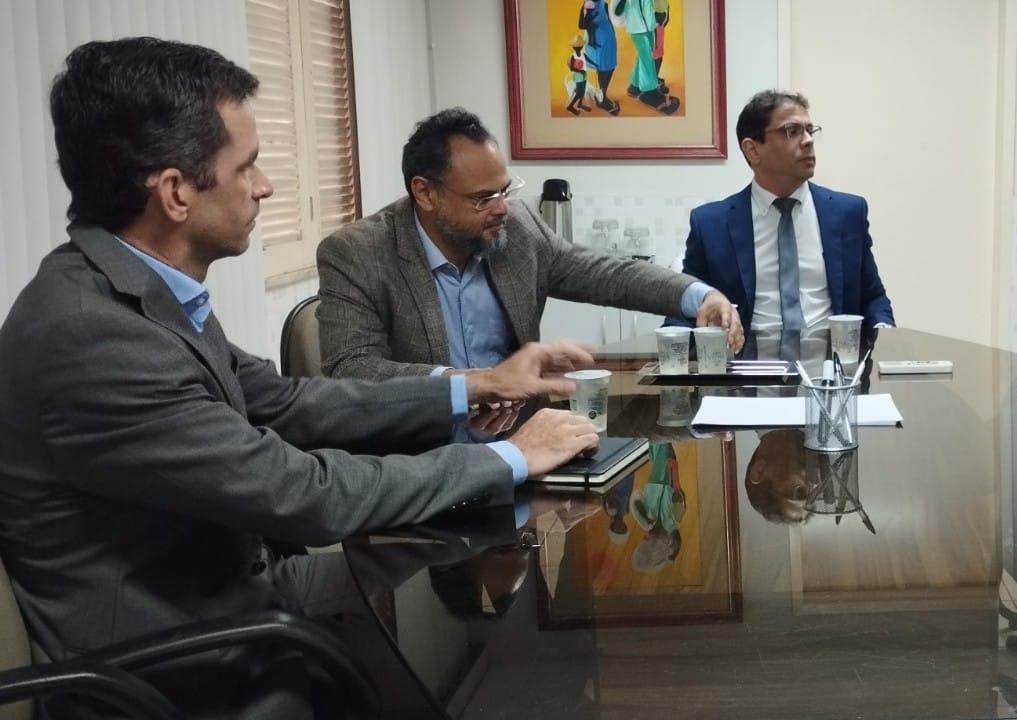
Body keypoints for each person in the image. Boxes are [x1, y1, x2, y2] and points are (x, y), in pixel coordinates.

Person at [0, 37, 603, 718]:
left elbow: (288, 403)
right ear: (174, 192)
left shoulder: (138, 293)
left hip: (236, 595)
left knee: (472, 595)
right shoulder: (93, 338)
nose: (265, 186)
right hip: (183, 669)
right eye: (247, 166)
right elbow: (304, 493)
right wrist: (509, 457)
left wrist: (476, 386)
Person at [316, 108, 743, 395]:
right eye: (483, 198)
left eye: (504, 190)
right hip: (423, 451)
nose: (502, 207)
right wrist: (474, 384)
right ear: (425, 193)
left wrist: (700, 295)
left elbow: (604, 272)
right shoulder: (359, 253)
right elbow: (351, 369)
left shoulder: (516, 229)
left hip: (520, 434)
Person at [676, 90, 895, 355]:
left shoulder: (847, 213)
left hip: (832, 370)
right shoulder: (711, 224)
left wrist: (885, 335)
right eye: (792, 131)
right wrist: (670, 348)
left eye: (810, 130)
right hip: (746, 371)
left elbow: (872, 298)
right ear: (752, 150)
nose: (808, 141)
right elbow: (685, 307)